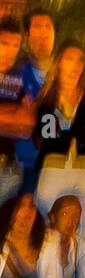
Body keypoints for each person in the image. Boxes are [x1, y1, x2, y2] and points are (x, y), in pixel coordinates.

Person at [32, 41, 85, 251]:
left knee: (84, 227)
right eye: (70, 58)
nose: (75, 65)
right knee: (46, 218)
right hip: (54, 166)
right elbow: (47, 136)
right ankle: (49, 277)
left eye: (81, 60)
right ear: (59, 62)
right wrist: (77, 127)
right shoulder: (47, 97)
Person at [17, 7, 56, 193]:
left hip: (58, 162)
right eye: (38, 27)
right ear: (25, 36)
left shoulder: (70, 74)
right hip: (23, 163)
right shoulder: (15, 74)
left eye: (48, 27)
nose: (44, 33)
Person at [0, 16, 35, 207]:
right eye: (4, 43)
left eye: (15, 45)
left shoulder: (20, 80)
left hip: (9, 163)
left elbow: (28, 124)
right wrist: (12, 114)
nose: (9, 51)